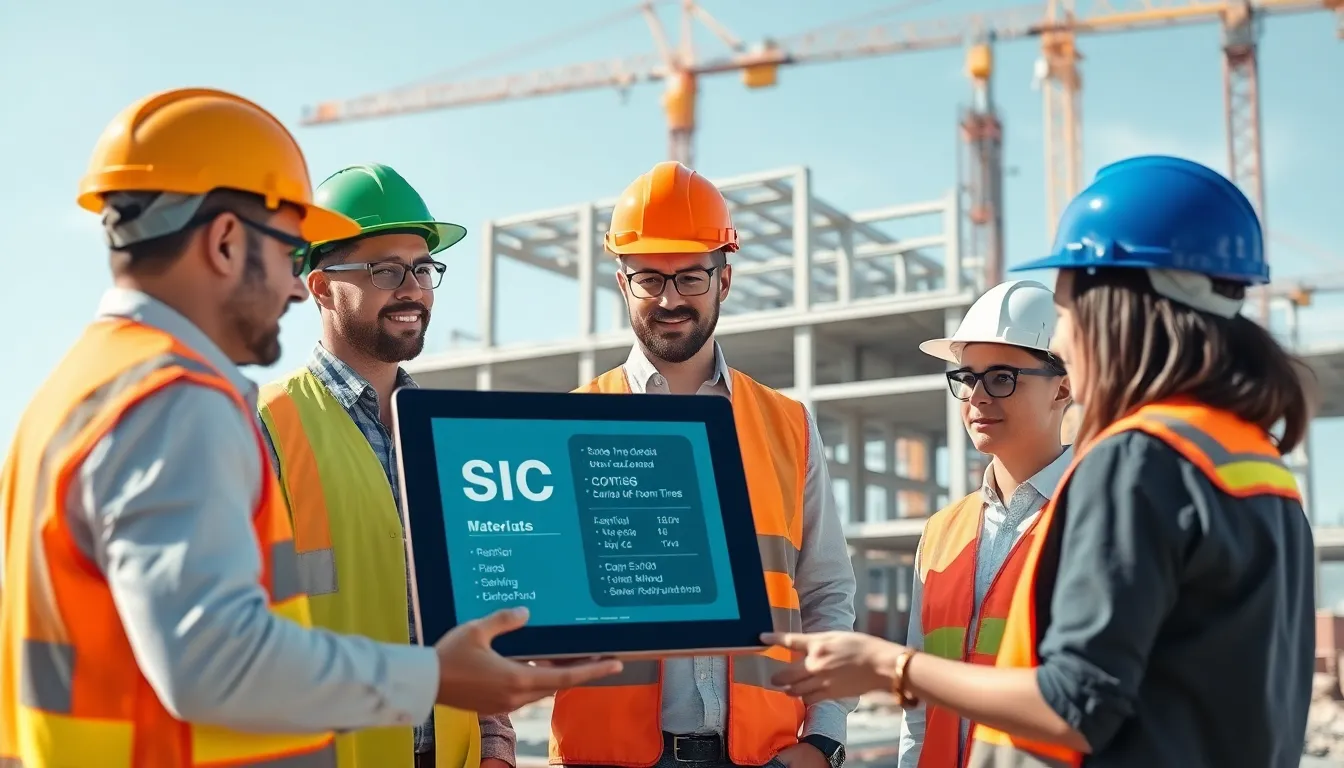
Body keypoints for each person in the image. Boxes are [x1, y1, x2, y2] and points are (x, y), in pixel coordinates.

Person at [0, 86, 621, 768]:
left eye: (423, 269)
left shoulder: (78, 389)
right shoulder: (181, 400)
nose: (295, 286)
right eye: (289, 250)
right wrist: (432, 679)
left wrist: (493, 728)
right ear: (228, 241)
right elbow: (214, 661)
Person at [757, 155, 1317, 767]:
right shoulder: (1254, 465)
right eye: (966, 377)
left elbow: (1076, 703)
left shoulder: (1140, 460)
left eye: (1069, 312)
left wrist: (887, 664)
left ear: (1116, 309)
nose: (1067, 340)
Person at [553, 160, 858, 768]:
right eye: (648, 278)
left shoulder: (788, 425)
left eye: (691, 277)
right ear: (622, 283)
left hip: (763, 754)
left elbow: (825, 590)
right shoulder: (567, 426)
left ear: (725, 280)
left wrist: (824, 739)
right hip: (607, 757)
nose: (669, 299)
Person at [256, 162, 516, 768]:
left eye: (424, 270)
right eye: (386, 271)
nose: (413, 290)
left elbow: (476, 603)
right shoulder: (266, 426)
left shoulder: (452, 437)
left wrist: (497, 743)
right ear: (320, 287)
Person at [899, 279, 1073, 768]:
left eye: (1001, 377)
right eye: (966, 377)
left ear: (1064, 386)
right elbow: (918, 708)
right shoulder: (940, 532)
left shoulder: (1095, 518)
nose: (976, 396)